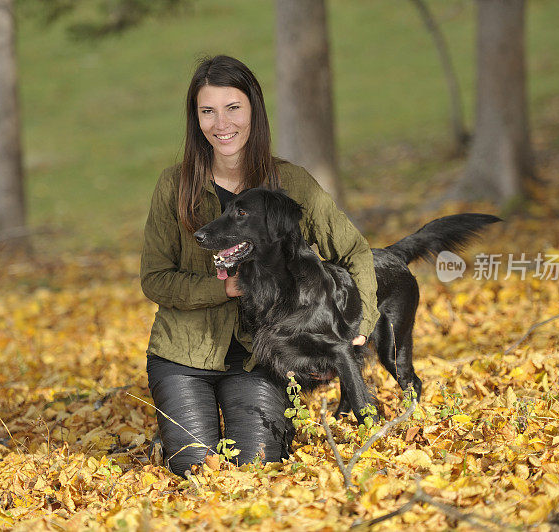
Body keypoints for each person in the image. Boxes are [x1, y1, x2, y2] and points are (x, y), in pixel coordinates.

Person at [140, 55, 380, 477]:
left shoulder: (292, 183)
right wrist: (225, 289)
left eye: (233, 108)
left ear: (254, 109)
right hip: (183, 355)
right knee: (197, 469)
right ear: (196, 120)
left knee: (257, 467)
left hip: (262, 359)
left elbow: (354, 251)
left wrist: (360, 325)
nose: (221, 123)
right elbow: (155, 279)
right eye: (207, 111)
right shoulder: (172, 185)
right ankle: (173, 431)